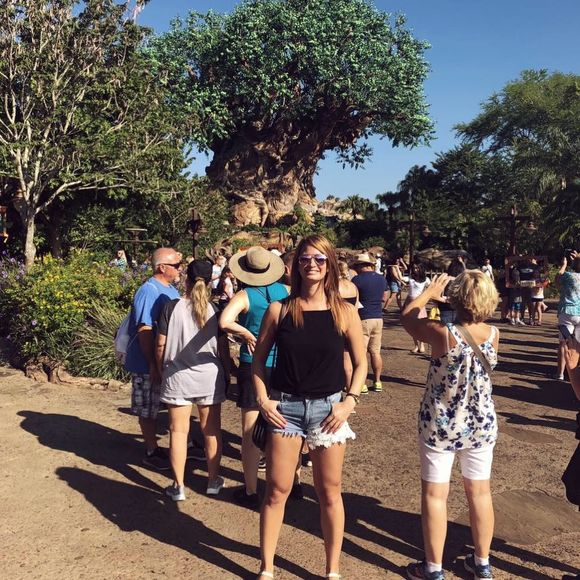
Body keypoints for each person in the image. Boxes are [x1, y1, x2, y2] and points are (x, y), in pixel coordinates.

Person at [252, 234, 366, 580]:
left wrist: (349, 401)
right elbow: (258, 361)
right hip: (285, 409)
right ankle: (267, 567)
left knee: (329, 492)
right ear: (295, 265)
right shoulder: (280, 309)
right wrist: (262, 399)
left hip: (329, 411)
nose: (311, 264)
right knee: (276, 491)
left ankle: (333, 570)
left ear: (329, 264)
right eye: (304, 258)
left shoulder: (345, 311)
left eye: (319, 259)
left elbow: (360, 363)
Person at [402, 270, 500, 580]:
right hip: (480, 423)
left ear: (456, 298)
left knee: (435, 495)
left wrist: (428, 294)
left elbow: (407, 317)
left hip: (441, 423)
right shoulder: (494, 334)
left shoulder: (442, 334)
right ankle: (482, 563)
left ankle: (433, 568)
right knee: (480, 493)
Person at [219, 246, 288, 508]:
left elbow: (225, 321)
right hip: (283, 364)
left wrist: (247, 334)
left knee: (250, 430)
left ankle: (250, 490)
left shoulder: (245, 294)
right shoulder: (286, 291)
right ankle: (291, 483)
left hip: (254, 364)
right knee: (285, 425)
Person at [156, 260, 230, 499]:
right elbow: (223, 348)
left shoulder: (171, 307)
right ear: (209, 281)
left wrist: (160, 368)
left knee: (178, 432)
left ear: (186, 278)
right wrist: (228, 371)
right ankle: (213, 479)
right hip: (208, 376)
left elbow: (160, 344)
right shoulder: (215, 310)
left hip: (177, 375)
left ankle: (178, 486)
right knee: (211, 430)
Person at [124, 247, 183, 470]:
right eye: (176, 265)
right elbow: (145, 330)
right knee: (148, 408)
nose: (180, 269)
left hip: (165, 360)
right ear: (162, 267)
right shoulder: (148, 291)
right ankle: (152, 450)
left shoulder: (170, 289)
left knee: (165, 404)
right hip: (147, 362)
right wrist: (152, 363)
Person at [351, 252, 388, 393]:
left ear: (360, 266)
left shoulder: (356, 280)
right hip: (378, 317)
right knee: (375, 352)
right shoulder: (381, 279)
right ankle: (377, 381)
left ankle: (362, 383)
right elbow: (384, 297)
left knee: (361, 353)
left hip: (363, 318)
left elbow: (353, 298)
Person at [555, 251, 580, 380]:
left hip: (566, 312)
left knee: (563, 343)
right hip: (579, 313)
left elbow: (557, 280)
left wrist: (564, 265)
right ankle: (575, 372)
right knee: (578, 343)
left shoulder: (568, 276)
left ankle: (560, 373)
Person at [338, 260, 359, 387]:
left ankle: (348, 385)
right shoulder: (353, 286)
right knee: (352, 357)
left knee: (345, 358)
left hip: (339, 322)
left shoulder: (335, 286)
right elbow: (356, 306)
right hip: (351, 322)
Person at [405, 262, 431, 353]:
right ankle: (416, 345)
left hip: (420, 303)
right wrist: (396, 268)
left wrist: (426, 296)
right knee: (412, 326)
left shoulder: (426, 279)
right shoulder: (410, 278)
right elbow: (400, 278)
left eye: (417, 268)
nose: (415, 270)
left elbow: (431, 288)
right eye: (414, 268)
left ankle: (422, 344)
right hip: (410, 303)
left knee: (420, 325)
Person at [435, 258, 466, 325]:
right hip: (459, 311)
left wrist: (445, 299)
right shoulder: (463, 282)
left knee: (445, 329)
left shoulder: (444, 279)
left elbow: (435, 296)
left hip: (444, 310)